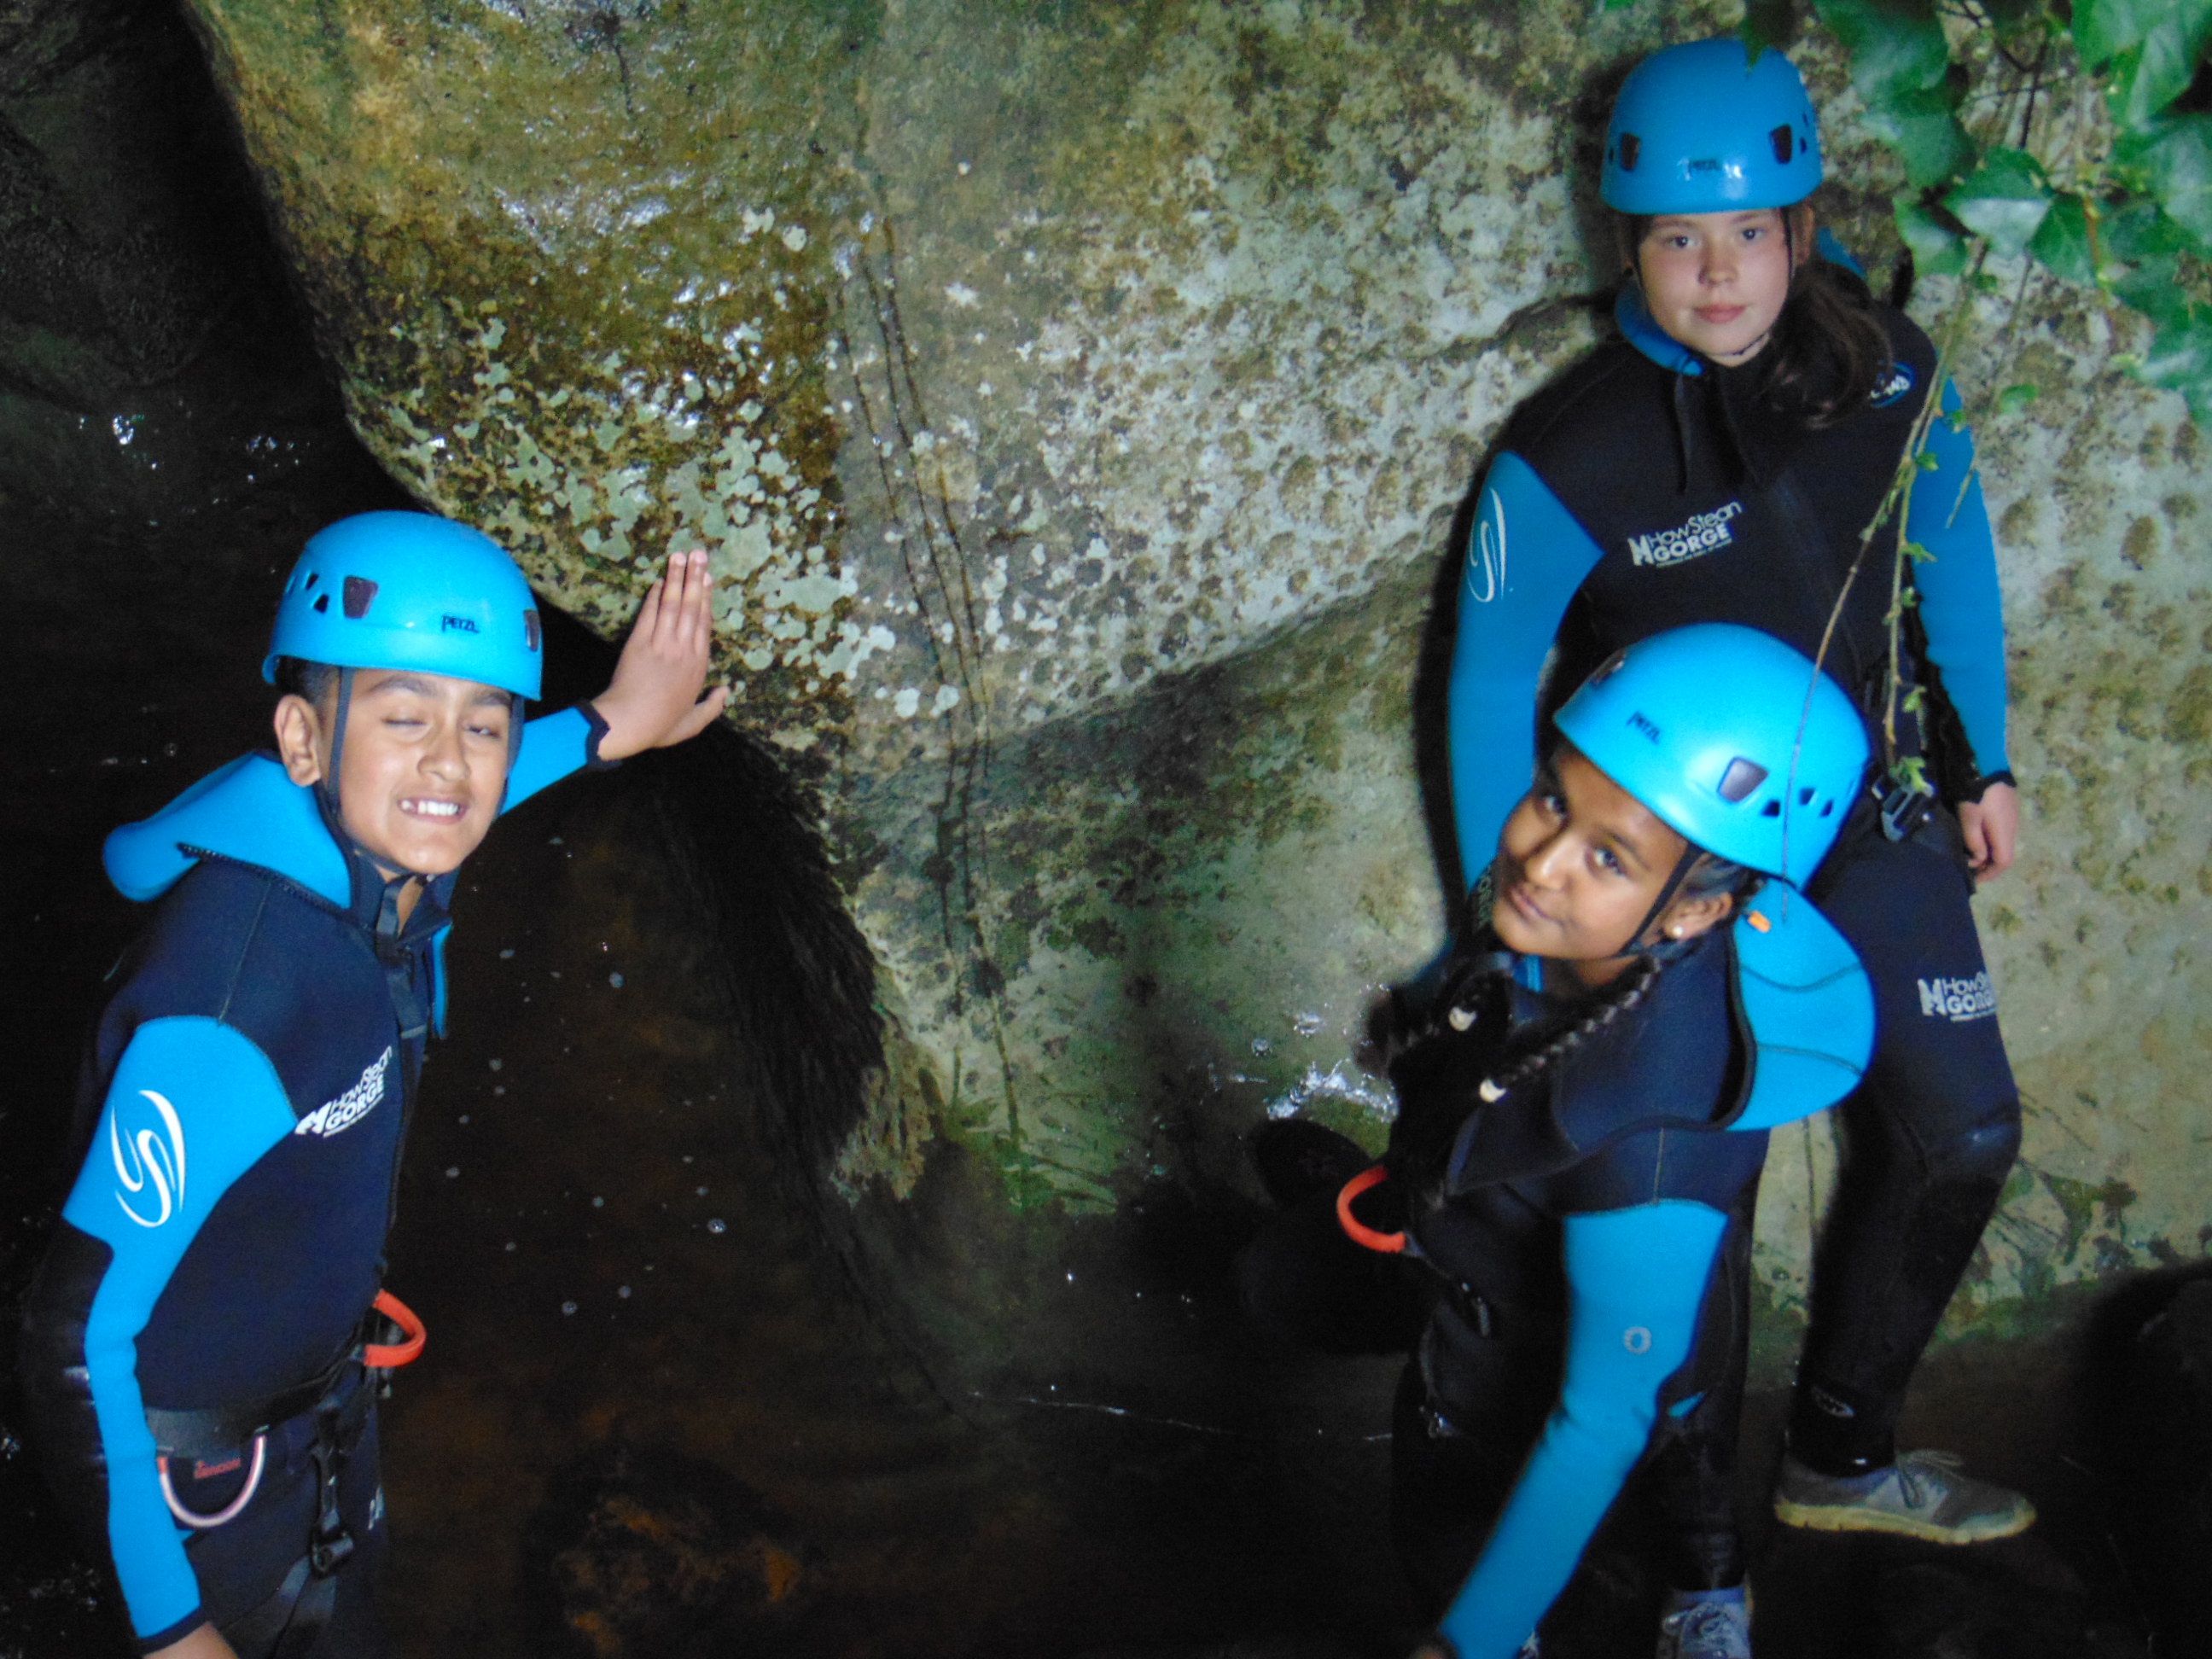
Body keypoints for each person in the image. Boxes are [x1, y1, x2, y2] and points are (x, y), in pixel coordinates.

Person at [1441, 32, 2031, 1624]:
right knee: (1686, 1214)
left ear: (1799, 222)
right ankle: (1702, 1571)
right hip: (1674, 867)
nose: (1719, 274)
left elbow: (1953, 552)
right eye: (1678, 239)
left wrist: (1982, 756)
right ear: (1626, 243)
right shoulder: (1574, 449)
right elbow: (1486, 689)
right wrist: (1512, 919)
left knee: (1966, 1133)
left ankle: (1840, 1451)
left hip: (1864, 816)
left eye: (1751, 232)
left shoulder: (1890, 369)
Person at [18, 511, 726, 1659]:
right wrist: (171, 1632)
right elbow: (72, 1339)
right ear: (303, 739)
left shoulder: (378, 856)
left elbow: (451, 790)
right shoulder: (235, 1007)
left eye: (484, 724)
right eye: (406, 717)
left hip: (321, 1418)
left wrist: (608, 726)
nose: (451, 763)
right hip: (205, 1495)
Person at [1335, 624, 1874, 1659]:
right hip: (1488, 1278)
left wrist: (1474, 1640)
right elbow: (1491, 987)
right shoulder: (1566, 928)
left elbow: (1600, 1420)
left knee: (1500, 1520)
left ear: (1699, 910)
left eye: (1608, 856)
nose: (1539, 862)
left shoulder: (1656, 1148)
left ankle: (1694, 1592)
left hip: (1547, 1372)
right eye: (1551, 797)